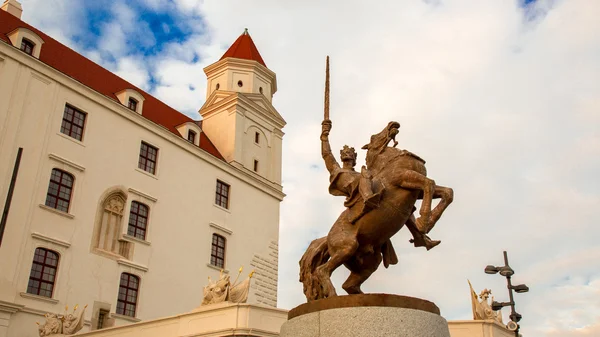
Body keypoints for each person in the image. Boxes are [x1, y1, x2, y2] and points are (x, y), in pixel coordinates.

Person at [321, 119, 439, 250]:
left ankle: (419, 236)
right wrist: (324, 137)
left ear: (355, 159)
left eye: (350, 154)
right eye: (344, 154)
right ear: (342, 157)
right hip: (355, 191)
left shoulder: (361, 172)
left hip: (367, 183)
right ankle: (368, 197)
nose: (347, 155)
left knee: (403, 202)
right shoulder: (338, 170)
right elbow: (327, 155)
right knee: (365, 175)